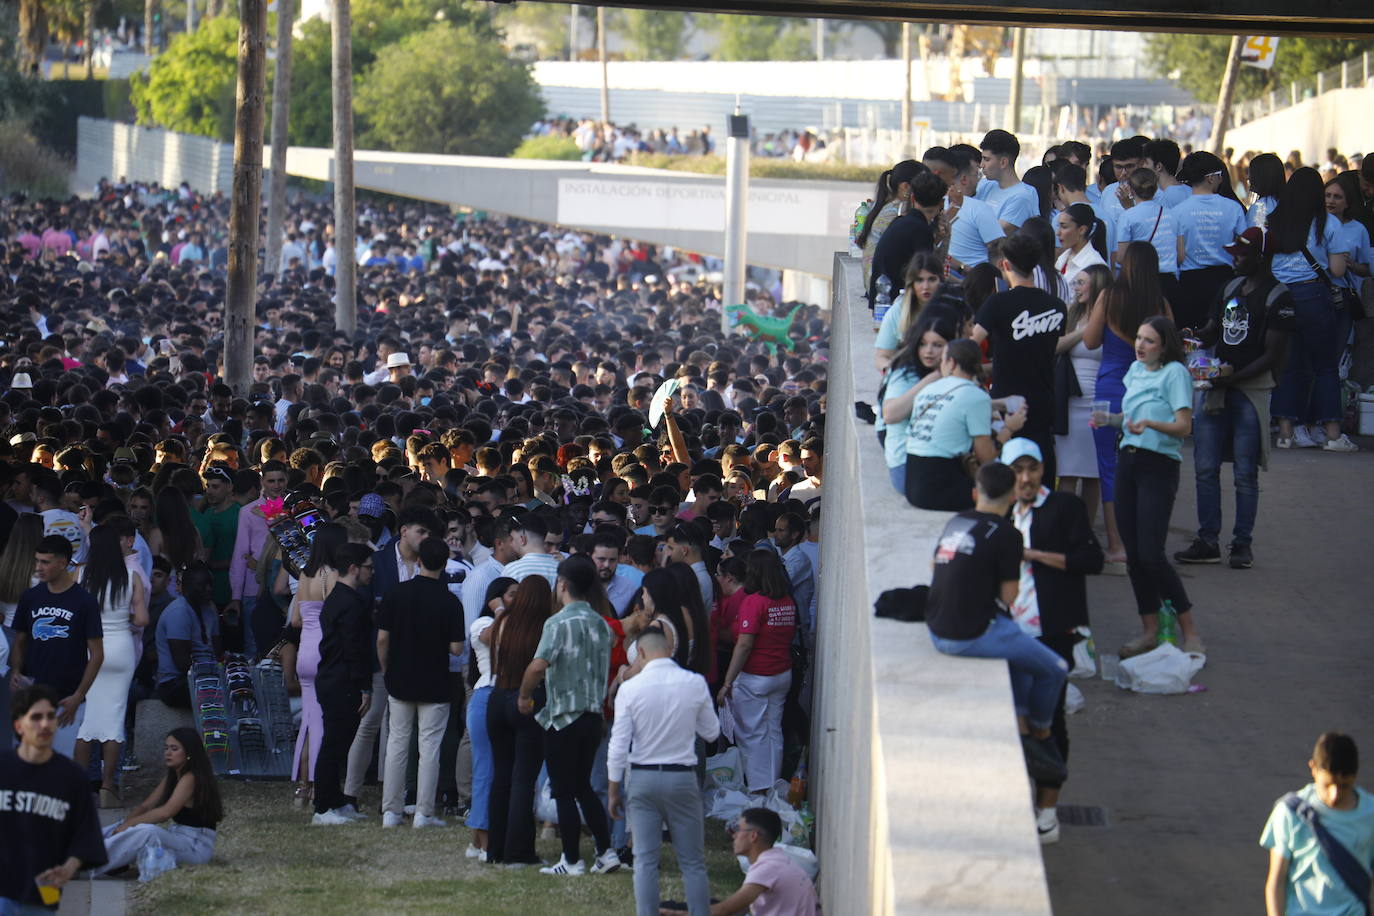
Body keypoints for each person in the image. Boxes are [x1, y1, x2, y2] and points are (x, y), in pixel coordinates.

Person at [925, 462, 1068, 783]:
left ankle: (1018, 721)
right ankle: (1041, 734)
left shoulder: (956, 521)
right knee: (1054, 669)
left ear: (976, 493)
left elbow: (935, 568)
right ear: (1013, 497)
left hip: (936, 627)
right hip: (968, 635)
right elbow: (1010, 596)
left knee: (1018, 649)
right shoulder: (1009, 534)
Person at [1001, 439, 1104, 844]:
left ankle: (1047, 810)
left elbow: (1090, 560)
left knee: (1050, 721)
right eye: (1018, 470)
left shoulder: (1064, 508)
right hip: (1007, 634)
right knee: (1014, 720)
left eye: (1033, 469)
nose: (1026, 479)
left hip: (1052, 633)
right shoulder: (1001, 510)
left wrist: (1035, 555)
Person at [1175, 228, 1294, 570]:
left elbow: (1272, 354)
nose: (1234, 258)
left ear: (1261, 257)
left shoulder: (1279, 297)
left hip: (1248, 392)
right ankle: (1208, 540)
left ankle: (1242, 544)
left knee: (1245, 473)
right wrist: (1192, 337)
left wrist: (1228, 378)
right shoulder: (1229, 288)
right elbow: (1213, 329)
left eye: (1241, 253)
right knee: (1205, 468)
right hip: (1217, 388)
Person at [1094, 316, 1204, 658]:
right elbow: (1130, 420)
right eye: (1138, 339)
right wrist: (1110, 421)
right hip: (1128, 460)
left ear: (1164, 345)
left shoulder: (1175, 374)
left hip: (1159, 465)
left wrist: (1151, 424)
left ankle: (1190, 632)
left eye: (1149, 341)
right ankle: (1149, 630)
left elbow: (1183, 426)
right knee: (1135, 557)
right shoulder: (1135, 371)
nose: (1140, 345)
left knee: (1152, 554)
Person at [517, 555, 618, 876]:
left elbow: (537, 665)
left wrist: (524, 696)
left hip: (563, 716)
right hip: (593, 716)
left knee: (563, 789)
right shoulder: (602, 624)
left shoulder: (557, 623)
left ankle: (572, 859)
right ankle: (605, 852)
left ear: (562, 584)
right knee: (583, 787)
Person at [608, 629, 720, 916]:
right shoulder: (693, 683)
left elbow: (619, 744)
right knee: (692, 862)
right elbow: (711, 732)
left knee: (644, 861)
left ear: (641, 653)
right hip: (682, 776)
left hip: (643, 777)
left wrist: (613, 789)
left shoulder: (630, 689)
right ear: (669, 649)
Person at [1082, 243, 1172, 565]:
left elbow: (1091, 340)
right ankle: (1146, 545)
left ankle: (1117, 546)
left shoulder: (1109, 297)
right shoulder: (1160, 305)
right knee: (1148, 467)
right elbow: (1173, 351)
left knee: (1110, 468)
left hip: (1109, 389)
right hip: (1149, 394)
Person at [377, 537, 465, 828]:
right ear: (444, 563)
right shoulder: (450, 601)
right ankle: (424, 813)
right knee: (430, 748)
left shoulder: (396, 594)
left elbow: (382, 639)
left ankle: (391, 810)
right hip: (436, 680)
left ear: (418, 561)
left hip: (400, 677)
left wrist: (387, 667)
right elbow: (456, 648)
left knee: (397, 743)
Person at [1269, 167, 1356, 452]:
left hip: (1281, 297)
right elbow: (1337, 269)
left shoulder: (1275, 220)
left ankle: (1285, 433)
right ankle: (1332, 435)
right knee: (1325, 366)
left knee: (1287, 366)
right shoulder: (1328, 223)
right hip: (1314, 296)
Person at [1, 685, 108, 911]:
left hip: (45, 887)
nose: (45, 724)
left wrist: (68, 869)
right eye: (36, 717)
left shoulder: (72, 777)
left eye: (50, 716)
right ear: (18, 725)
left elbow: (86, 835)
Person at [972, 233, 1068, 483]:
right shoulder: (1057, 306)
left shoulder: (997, 303)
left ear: (1005, 265)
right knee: (1041, 465)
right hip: (1044, 399)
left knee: (1005, 472)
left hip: (1006, 400)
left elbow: (972, 343)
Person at [73, 524, 148, 809]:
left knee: (88, 718)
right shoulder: (131, 576)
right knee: (115, 718)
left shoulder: (81, 575)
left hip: (90, 648)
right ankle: (108, 785)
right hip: (121, 648)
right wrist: (123, 624)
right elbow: (141, 619)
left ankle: (82, 786)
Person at [8, 536, 104, 757]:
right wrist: (16, 670)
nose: (38, 568)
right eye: (36, 561)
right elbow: (20, 640)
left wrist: (79, 695)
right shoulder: (30, 597)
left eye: (45, 562)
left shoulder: (85, 602)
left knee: (61, 763)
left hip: (66, 698)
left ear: (63, 563)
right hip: (32, 694)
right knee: (26, 760)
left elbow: (97, 655)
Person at [1261, 732, 1374, 916]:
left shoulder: (1371, 815)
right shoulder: (1290, 813)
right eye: (1328, 784)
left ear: (1355, 775)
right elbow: (1277, 881)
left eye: (1344, 786)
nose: (1335, 795)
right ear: (1313, 768)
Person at [486, 576, 554, 866]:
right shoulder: (545, 627)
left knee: (501, 777)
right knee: (523, 780)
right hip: (528, 700)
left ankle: (496, 850)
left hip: (497, 697)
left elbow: (489, 645)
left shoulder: (503, 622)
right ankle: (518, 852)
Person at [717, 549, 797, 795]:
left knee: (751, 735)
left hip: (755, 677)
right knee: (773, 732)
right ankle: (772, 784)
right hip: (781, 674)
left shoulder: (754, 602)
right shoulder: (786, 601)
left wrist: (727, 682)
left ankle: (758, 787)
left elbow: (744, 644)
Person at [898, 339, 1011, 511]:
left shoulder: (928, 390)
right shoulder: (976, 395)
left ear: (951, 363)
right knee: (1008, 495)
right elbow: (986, 457)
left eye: (942, 359)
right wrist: (1009, 429)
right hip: (941, 488)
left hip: (911, 484)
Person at [95, 727, 223, 877]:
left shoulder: (191, 777)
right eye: (166, 748)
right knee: (123, 824)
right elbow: (146, 805)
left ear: (189, 752)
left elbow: (165, 813)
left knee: (147, 831)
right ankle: (78, 850)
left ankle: (86, 861)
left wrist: (130, 825)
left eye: (174, 749)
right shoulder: (173, 775)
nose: (168, 753)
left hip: (195, 847)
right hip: (178, 838)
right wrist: (124, 825)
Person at [310, 543, 375, 826]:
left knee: (338, 744)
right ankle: (323, 807)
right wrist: (364, 686)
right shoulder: (350, 602)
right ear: (354, 568)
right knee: (334, 746)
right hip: (342, 682)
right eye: (368, 567)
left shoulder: (338, 597)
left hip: (334, 679)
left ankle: (334, 801)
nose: (372, 572)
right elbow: (353, 648)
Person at [1054, 264, 1112, 542]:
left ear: (1098, 287)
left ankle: (1085, 533)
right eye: (1075, 283)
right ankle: (1065, 532)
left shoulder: (1112, 318)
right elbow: (1055, 346)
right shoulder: (1069, 312)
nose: (1076, 288)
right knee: (1067, 471)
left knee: (1093, 474)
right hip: (1070, 399)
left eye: (1081, 283)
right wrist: (1084, 331)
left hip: (1099, 400)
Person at [464, 576, 516, 861]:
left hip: (504, 697)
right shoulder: (482, 623)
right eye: (511, 594)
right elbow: (495, 637)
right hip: (486, 698)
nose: (515, 600)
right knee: (486, 771)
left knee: (496, 771)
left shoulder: (515, 624)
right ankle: (484, 843)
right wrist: (499, 609)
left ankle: (477, 840)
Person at [878, 313, 959, 492]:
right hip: (907, 467)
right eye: (923, 344)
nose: (928, 351)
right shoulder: (907, 373)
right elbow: (890, 414)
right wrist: (934, 377)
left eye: (937, 345)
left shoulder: (952, 371)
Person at [1172, 150, 1249, 332]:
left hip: (1188, 283)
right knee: (1225, 335)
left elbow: (1176, 253)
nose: (1222, 179)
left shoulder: (1178, 212)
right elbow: (1244, 247)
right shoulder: (1233, 208)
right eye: (1220, 175)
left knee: (1191, 338)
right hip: (1225, 281)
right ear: (1211, 178)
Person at [696, 807, 819, 916]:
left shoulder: (766, 868)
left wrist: (678, 913)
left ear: (753, 836)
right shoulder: (777, 859)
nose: (734, 836)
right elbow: (742, 906)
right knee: (713, 904)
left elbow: (723, 911)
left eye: (738, 830)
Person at [868, 171, 946, 307]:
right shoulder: (921, 230)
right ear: (941, 203)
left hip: (881, 298)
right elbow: (928, 273)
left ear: (912, 198)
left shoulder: (901, 222)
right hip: (895, 303)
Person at [977, 129, 1040, 232]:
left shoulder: (1022, 196)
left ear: (1003, 162)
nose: (981, 165)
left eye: (986, 159)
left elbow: (994, 234)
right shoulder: (985, 184)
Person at [1054, 203, 1108, 288]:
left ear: (1081, 230)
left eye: (1064, 227)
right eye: (1058, 226)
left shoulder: (1094, 263)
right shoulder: (1063, 257)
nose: (1058, 233)